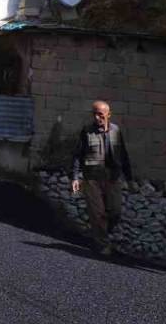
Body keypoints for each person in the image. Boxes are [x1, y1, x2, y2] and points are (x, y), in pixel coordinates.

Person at [71, 100, 133, 256]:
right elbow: (78, 156)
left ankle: (100, 231)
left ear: (108, 115)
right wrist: (75, 177)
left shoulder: (116, 131)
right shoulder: (87, 131)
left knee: (115, 212)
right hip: (92, 178)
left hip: (113, 178)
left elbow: (123, 155)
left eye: (100, 114)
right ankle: (102, 244)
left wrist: (129, 178)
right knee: (97, 213)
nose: (97, 118)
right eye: (94, 114)